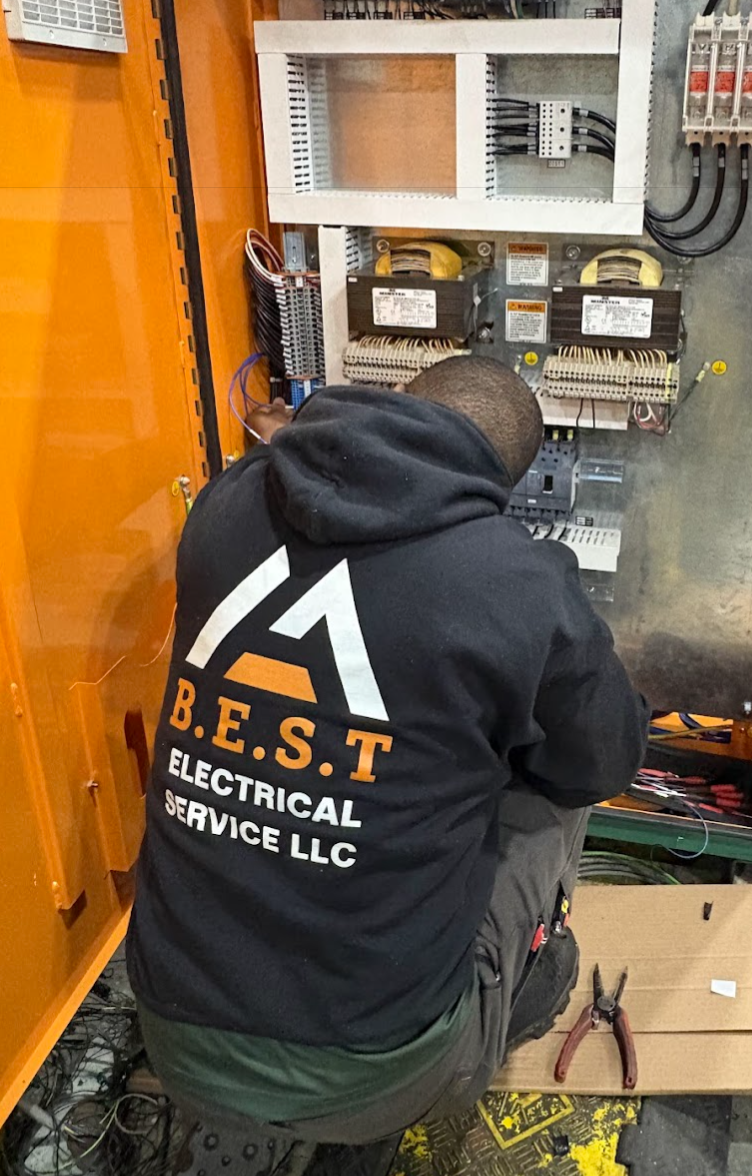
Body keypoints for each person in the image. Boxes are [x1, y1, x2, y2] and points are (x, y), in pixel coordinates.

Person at [126, 356, 648, 1151]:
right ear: (500, 481)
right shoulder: (514, 581)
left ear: (394, 404)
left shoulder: (230, 500)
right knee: (549, 788)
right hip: (382, 1079)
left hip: (170, 1034)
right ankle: (528, 983)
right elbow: (605, 762)